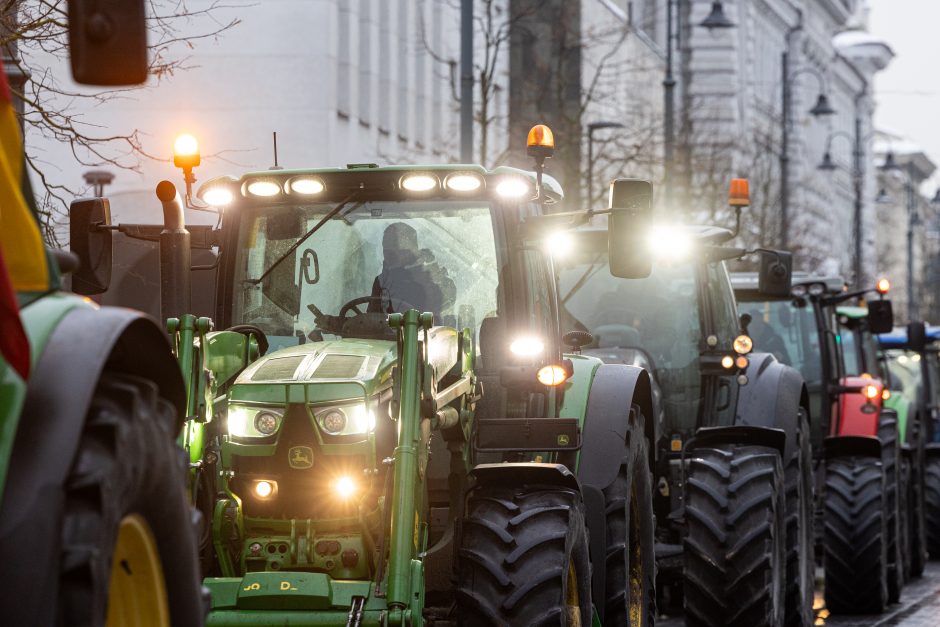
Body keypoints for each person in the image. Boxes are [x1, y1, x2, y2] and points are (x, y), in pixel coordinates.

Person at [369, 222, 452, 320]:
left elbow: (442, 308)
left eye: (395, 245)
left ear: (412, 249)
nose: (389, 251)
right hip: (385, 334)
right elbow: (371, 319)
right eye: (386, 246)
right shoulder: (381, 282)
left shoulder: (431, 278)